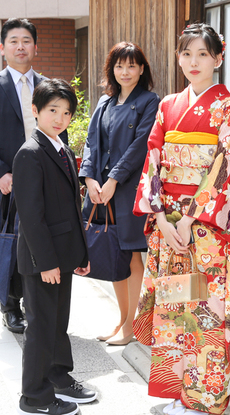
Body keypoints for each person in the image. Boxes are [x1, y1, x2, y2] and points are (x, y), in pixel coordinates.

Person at [132, 23, 230, 415]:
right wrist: (165, 220)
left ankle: (207, 401)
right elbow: (153, 160)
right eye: (186, 54)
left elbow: (228, 166)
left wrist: (189, 219)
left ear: (219, 58)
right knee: (174, 312)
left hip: (207, 232)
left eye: (203, 54)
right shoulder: (168, 105)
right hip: (171, 227)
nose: (193, 62)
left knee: (206, 314)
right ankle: (179, 395)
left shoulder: (228, 106)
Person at [0, 18, 66, 333]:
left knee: (38, 241)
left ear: (35, 47)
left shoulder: (47, 86)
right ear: (3, 48)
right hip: (5, 185)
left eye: (26, 40)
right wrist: (0, 174)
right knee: (8, 244)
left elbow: (57, 132)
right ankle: (9, 306)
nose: (20, 46)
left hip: (41, 180)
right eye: (14, 41)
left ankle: (32, 303)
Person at [13, 79, 97, 415]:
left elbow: (73, 212)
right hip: (42, 259)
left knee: (58, 323)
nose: (60, 118)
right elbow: (31, 217)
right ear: (35, 111)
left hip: (63, 254)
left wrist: (81, 254)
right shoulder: (30, 153)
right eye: (52, 111)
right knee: (41, 327)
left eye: (66, 112)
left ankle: (59, 377)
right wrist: (46, 262)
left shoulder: (63, 150)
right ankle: (34, 396)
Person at [79, 42, 159, 345]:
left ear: (142, 69)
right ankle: (122, 320)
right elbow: (91, 143)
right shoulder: (104, 102)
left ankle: (132, 327)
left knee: (130, 254)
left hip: (128, 190)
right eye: (119, 66)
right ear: (112, 70)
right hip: (101, 190)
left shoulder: (150, 101)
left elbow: (141, 145)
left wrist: (113, 179)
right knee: (114, 253)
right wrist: (89, 178)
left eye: (132, 65)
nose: (125, 72)